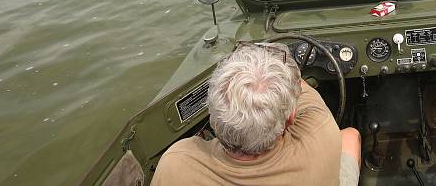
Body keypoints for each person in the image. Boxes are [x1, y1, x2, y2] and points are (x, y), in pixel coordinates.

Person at [152, 43, 361, 186]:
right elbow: (299, 86)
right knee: (350, 136)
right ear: (290, 118)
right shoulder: (320, 133)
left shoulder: (176, 163)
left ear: (214, 119)